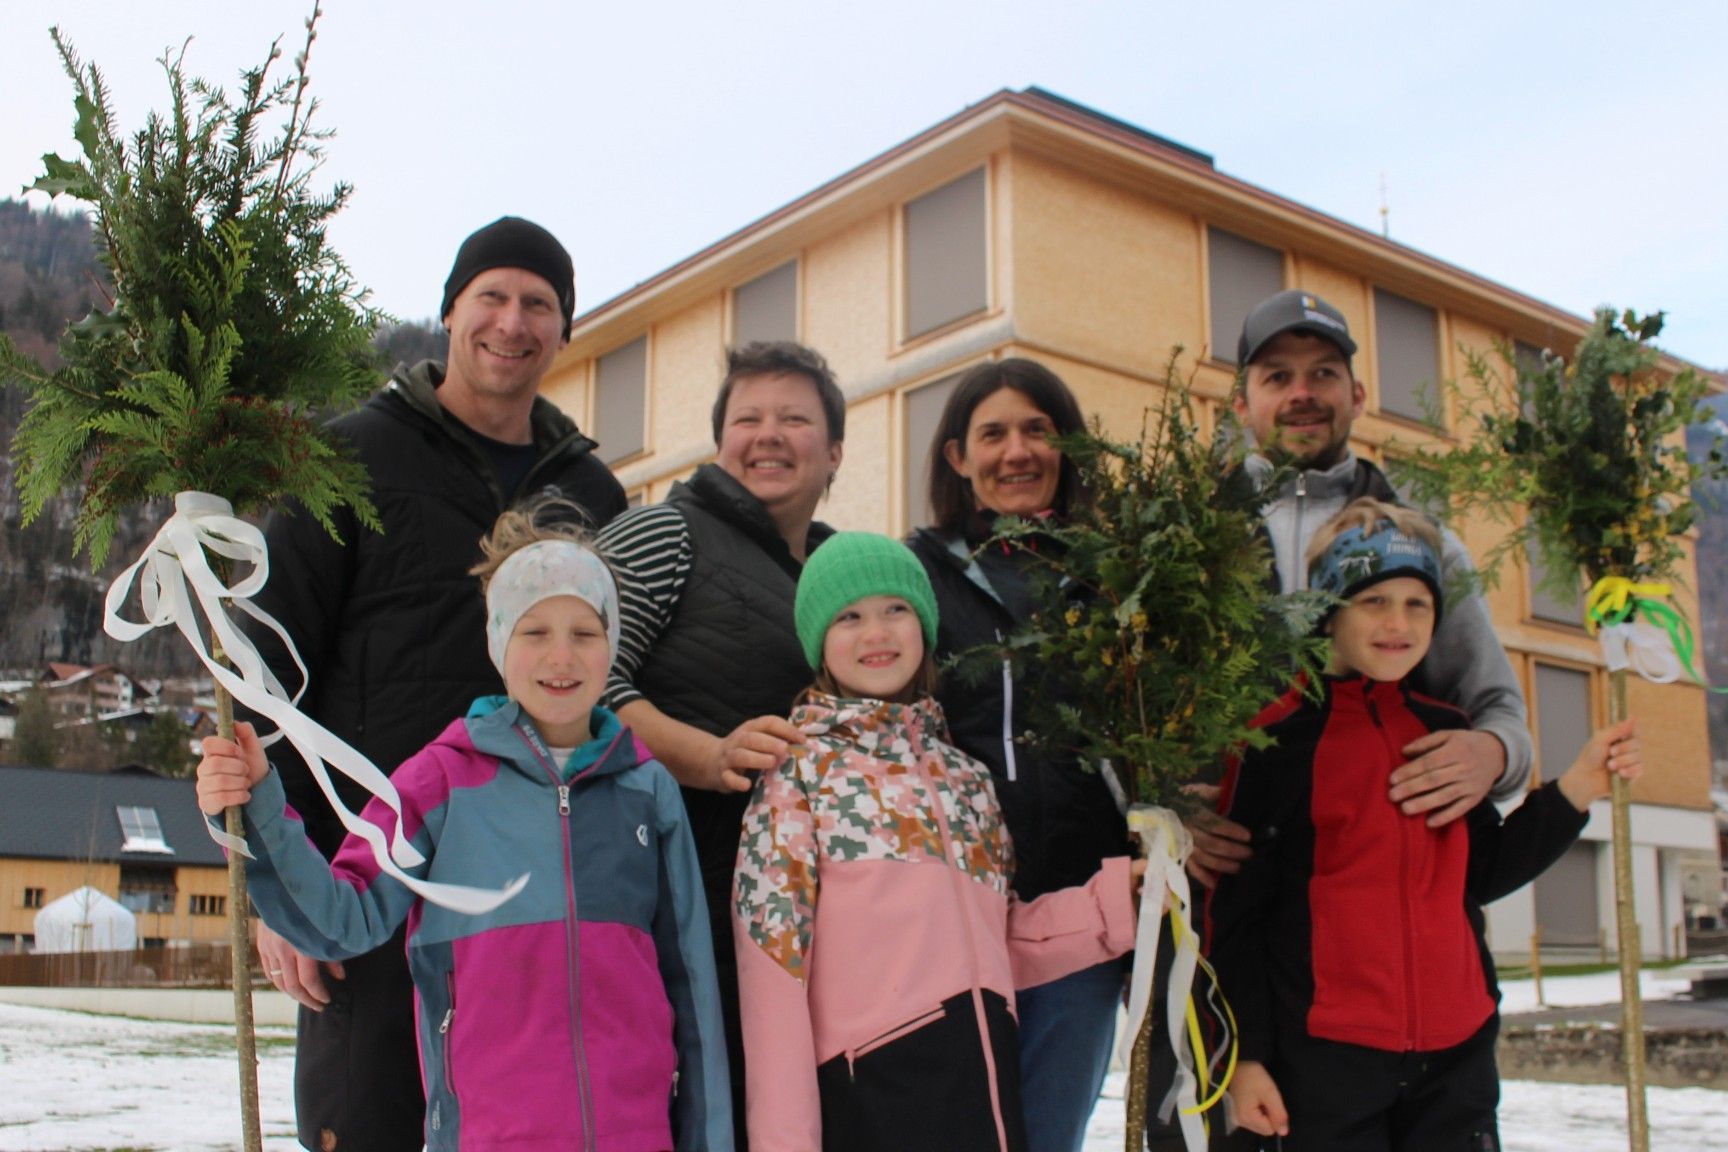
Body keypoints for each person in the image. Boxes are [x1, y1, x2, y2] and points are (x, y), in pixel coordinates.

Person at [247, 217, 628, 1151]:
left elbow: (620, 695)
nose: (513, 320)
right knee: (372, 1126)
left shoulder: (594, 497)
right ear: (451, 310)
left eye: (539, 303)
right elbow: (263, 673)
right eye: (491, 296)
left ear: (564, 331)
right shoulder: (346, 460)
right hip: (370, 882)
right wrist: (280, 884)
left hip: (535, 902)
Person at [196, 505, 730, 1150]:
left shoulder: (648, 791)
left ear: (612, 645)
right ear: (499, 644)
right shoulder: (439, 783)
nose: (561, 655)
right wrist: (257, 805)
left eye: (584, 633)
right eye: (535, 631)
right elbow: (342, 918)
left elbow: (693, 991)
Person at [1207, 499, 1643, 1150]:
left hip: (1456, 1056)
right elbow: (1237, 917)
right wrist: (1244, 1059)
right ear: (1330, 610)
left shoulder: (1447, 734)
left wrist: (1576, 788)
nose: (1398, 623)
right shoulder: (1276, 745)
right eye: (1374, 601)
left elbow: (1479, 873)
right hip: (1325, 1064)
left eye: (1418, 604)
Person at [733, 532, 1143, 1152]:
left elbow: (998, 939)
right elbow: (773, 983)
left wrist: (1112, 906)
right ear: (819, 641)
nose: (876, 631)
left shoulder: (966, 780)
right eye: (849, 616)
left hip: (983, 1099)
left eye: (895, 608)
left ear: (924, 624)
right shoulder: (798, 777)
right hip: (873, 1100)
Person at [1189, 289, 1536, 889]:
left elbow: (1497, 707)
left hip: (1382, 879)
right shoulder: (1186, 540)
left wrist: (1496, 755)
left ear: (1356, 396)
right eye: (1279, 376)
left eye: (1323, 373)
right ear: (1242, 406)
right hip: (1228, 892)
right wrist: (1166, 814)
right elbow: (1123, 718)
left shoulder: (1426, 546)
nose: (1302, 393)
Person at [596, 340, 845, 1149]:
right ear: (720, 443)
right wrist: (705, 756)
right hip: (675, 896)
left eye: (795, 419)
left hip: (797, 914)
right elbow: (573, 682)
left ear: (834, 451)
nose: (769, 435)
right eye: (749, 418)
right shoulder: (666, 534)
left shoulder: (839, 575)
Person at [906, 358, 1131, 1152]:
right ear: (957, 457)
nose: (1018, 452)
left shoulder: (1116, 576)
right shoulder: (918, 572)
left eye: (1038, 430)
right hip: (956, 906)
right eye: (993, 433)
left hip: (1082, 904)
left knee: (1048, 1130)